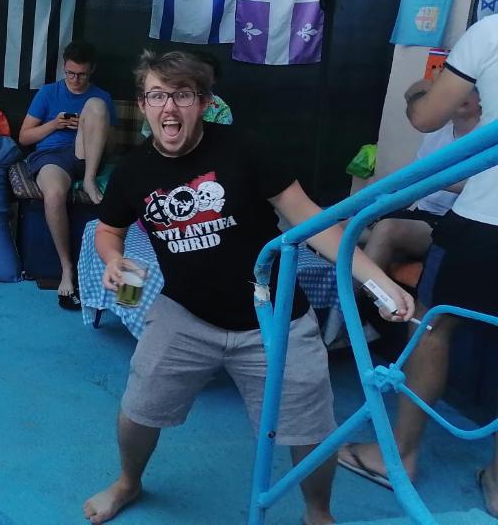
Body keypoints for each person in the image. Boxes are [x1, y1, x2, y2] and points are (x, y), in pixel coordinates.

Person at [83, 50, 413, 525]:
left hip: (274, 315)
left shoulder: (245, 148)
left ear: (204, 103)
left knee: (312, 428)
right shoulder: (135, 171)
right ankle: (128, 482)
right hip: (184, 314)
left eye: (182, 95)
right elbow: (108, 229)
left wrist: (375, 277)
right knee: (139, 409)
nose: (169, 107)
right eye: (157, 95)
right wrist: (114, 259)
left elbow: (309, 220)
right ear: (144, 104)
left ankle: (318, 513)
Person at [339, 18, 498, 517]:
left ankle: (400, 458)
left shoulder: (490, 32)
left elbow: (427, 116)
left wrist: (417, 97)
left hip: (486, 219)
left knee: (432, 329)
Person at [18, 40, 116, 309]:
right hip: (51, 156)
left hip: (87, 157)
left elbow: (113, 147)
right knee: (54, 193)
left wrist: (91, 126)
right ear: (64, 68)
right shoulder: (48, 93)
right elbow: (24, 137)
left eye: (81, 74)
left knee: (95, 105)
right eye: (70, 73)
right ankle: (66, 269)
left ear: (91, 70)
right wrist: (55, 124)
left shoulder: (102, 95)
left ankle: (89, 179)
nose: (75, 79)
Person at [361, 83, 480, 277]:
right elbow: (414, 185)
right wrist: (380, 204)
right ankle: (333, 296)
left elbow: (481, 189)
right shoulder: (435, 136)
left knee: (386, 228)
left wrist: (436, 180)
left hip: (452, 224)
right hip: (421, 214)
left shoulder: (489, 139)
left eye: (472, 89)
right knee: (347, 225)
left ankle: (343, 306)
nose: (462, 95)